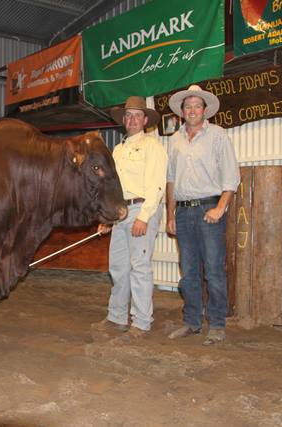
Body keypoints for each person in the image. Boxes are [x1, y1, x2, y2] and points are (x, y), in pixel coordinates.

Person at [165, 85, 240, 345]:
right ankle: (192, 321)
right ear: (182, 112)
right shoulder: (174, 140)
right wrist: (171, 215)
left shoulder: (218, 135)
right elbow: (171, 181)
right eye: (188, 106)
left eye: (197, 106)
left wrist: (220, 207)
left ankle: (217, 324)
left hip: (209, 209)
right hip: (183, 212)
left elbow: (231, 177)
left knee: (214, 270)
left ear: (205, 110)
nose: (192, 110)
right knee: (188, 272)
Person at [94, 96, 168, 339]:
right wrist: (107, 217)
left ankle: (142, 321)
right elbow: (113, 187)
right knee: (118, 267)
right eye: (129, 116)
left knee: (139, 267)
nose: (133, 120)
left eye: (138, 115)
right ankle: (116, 316)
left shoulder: (153, 147)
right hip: (120, 212)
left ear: (145, 120)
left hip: (141, 209)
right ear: (124, 120)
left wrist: (144, 217)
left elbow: (157, 185)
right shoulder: (118, 150)